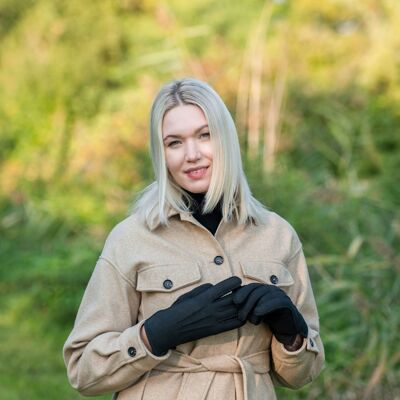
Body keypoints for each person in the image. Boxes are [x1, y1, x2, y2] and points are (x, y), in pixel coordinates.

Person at [63, 77, 325, 400]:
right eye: (174, 143)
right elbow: (82, 369)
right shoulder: (131, 238)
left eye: (205, 136)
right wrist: (155, 334)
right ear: (162, 154)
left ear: (226, 139)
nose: (192, 154)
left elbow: (303, 375)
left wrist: (292, 336)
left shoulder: (278, 235)